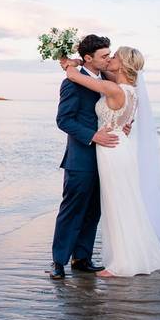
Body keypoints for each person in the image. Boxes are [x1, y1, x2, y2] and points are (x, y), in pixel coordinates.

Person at [60, 47, 160, 277]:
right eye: (107, 56)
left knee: (117, 205)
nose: (110, 59)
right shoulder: (132, 90)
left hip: (111, 151)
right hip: (120, 148)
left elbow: (73, 75)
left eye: (114, 57)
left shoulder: (112, 88)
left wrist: (67, 61)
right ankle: (131, 255)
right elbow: (122, 119)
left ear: (121, 65)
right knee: (125, 202)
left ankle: (122, 262)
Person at [50, 35, 122, 279]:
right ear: (88, 59)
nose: (108, 59)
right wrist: (93, 136)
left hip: (107, 158)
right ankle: (59, 261)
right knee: (72, 209)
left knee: (94, 210)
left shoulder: (106, 80)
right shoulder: (71, 83)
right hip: (81, 158)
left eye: (109, 54)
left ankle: (82, 258)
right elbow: (64, 120)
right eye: (104, 56)